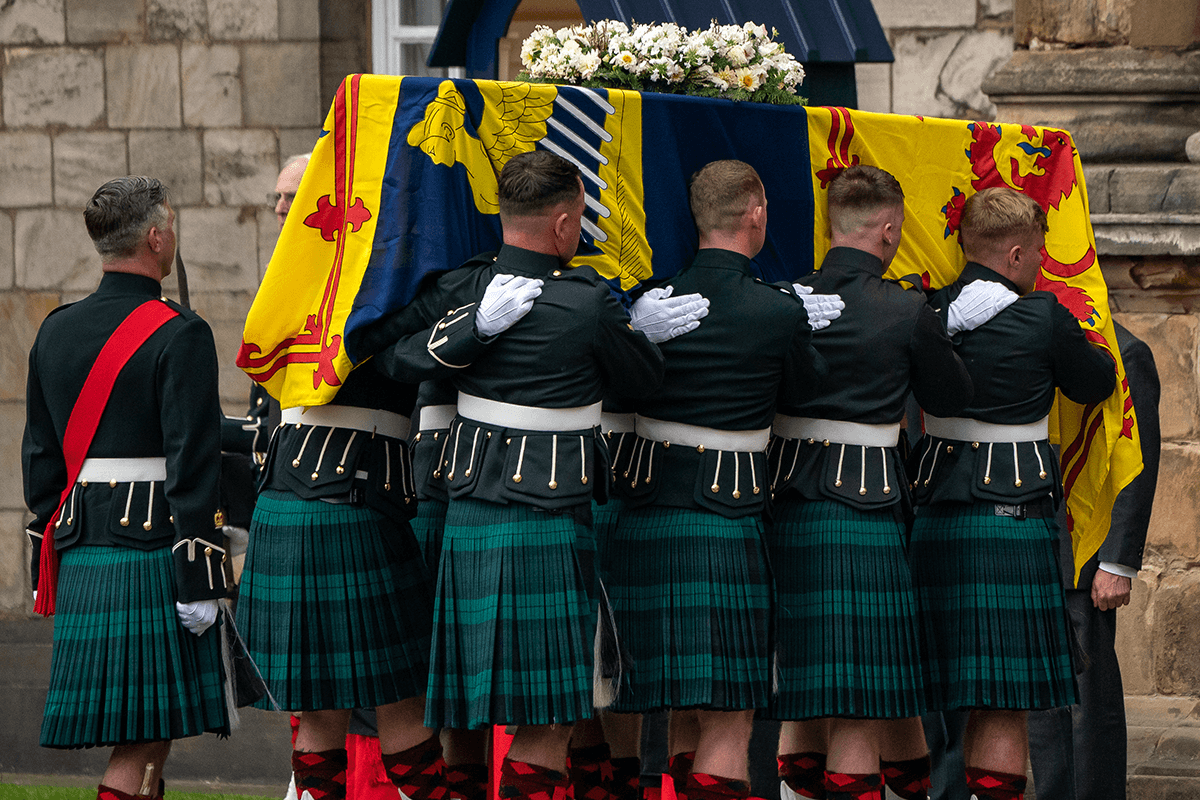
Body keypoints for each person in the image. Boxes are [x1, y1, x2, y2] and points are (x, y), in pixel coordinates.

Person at [602, 159, 838, 800]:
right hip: (726, 519)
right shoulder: (773, 311)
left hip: (646, 518)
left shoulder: (649, 304)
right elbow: (809, 391)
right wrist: (793, 318)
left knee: (677, 704)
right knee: (730, 715)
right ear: (757, 212)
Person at [768, 164, 976, 800]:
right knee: (861, 696)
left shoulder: (780, 300)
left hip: (784, 502)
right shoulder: (907, 308)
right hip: (865, 506)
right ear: (889, 229)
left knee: (805, 688)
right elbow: (952, 398)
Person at [906, 186, 1117, 800]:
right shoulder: (1044, 315)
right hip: (1014, 514)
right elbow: (1096, 383)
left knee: (927, 689)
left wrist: (936, 321)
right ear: (1019, 254)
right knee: (1003, 700)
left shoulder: (928, 309)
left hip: (938, 511)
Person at [23, 176, 230, 800]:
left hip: (83, 547)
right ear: (157, 237)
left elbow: (40, 461)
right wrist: (202, 575)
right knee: (143, 739)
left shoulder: (55, 329)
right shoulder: (180, 332)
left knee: (144, 739)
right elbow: (191, 465)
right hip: (152, 550)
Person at [1027, 322, 1160, 800]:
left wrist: (1118, 562)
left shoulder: (1126, 351)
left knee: (1089, 703)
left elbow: (1136, 460)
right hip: (1030, 543)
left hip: (1088, 557)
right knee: (1042, 708)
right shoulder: (1028, 332)